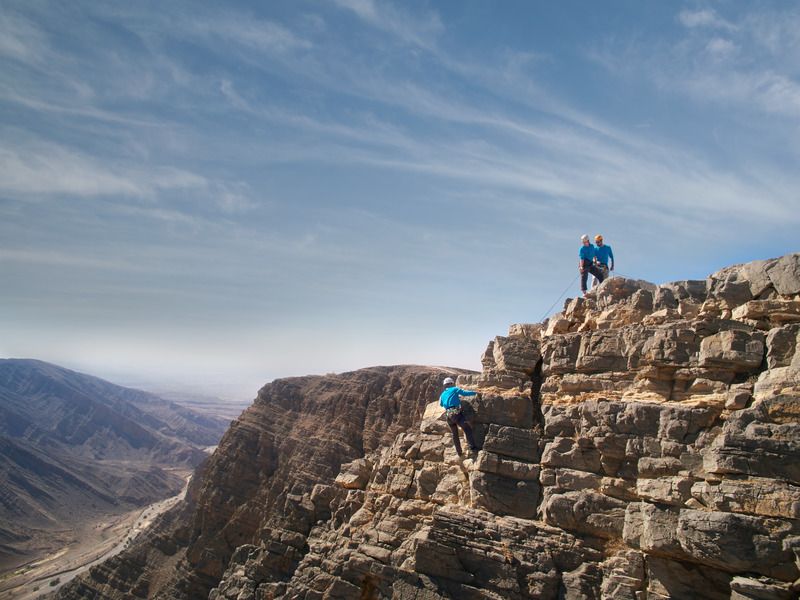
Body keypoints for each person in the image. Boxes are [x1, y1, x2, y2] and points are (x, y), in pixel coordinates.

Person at [439, 377, 479, 456]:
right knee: (467, 429)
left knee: (455, 434)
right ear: (451, 383)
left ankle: (459, 453)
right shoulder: (454, 389)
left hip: (448, 416)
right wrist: (475, 392)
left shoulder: (442, 394)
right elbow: (464, 393)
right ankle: (473, 448)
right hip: (456, 414)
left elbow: (441, 404)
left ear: (444, 385)